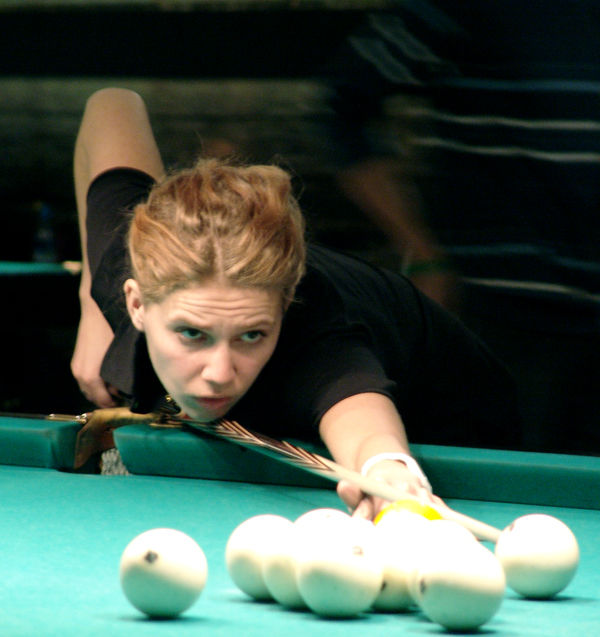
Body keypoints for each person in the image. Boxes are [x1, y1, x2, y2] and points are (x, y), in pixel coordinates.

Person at [71, 87, 521, 518]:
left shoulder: (317, 330)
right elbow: (112, 105)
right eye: (192, 333)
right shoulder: (123, 256)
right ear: (136, 305)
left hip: (452, 419)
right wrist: (91, 305)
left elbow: (363, 422)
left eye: (252, 335)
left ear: (284, 305)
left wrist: (388, 471)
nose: (220, 373)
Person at [320, 2, 600, 453]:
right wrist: (423, 252)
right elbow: (342, 105)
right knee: (502, 477)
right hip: (503, 322)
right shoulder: (462, 7)